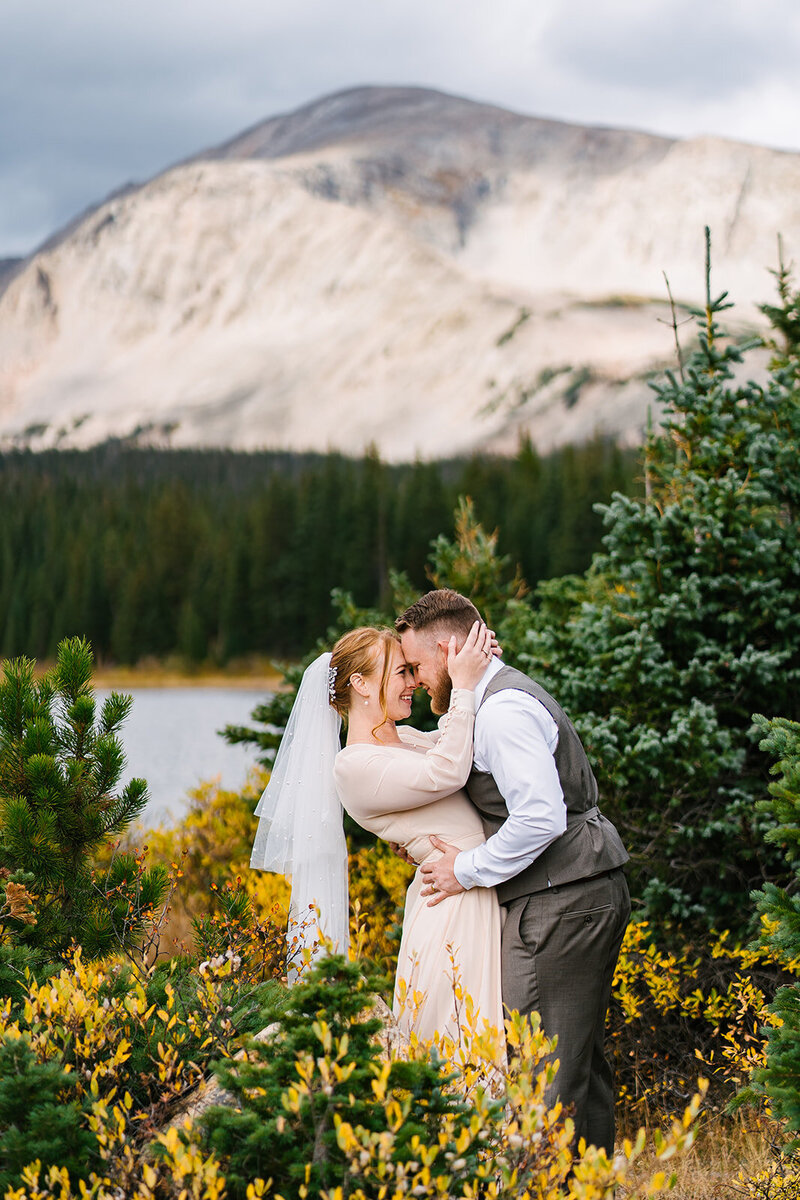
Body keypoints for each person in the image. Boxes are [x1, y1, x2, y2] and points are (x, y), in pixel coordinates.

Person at [396, 588, 631, 1154]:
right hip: (572, 892)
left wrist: (466, 869)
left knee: (540, 1070)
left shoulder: (502, 711)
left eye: (418, 665)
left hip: (563, 901)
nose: (417, 678)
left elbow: (541, 817)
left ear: (451, 650)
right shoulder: (482, 700)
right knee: (575, 1065)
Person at [250, 621, 505, 1047]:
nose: (413, 682)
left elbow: (464, 738)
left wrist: (478, 667)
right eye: (400, 672)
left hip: (469, 890)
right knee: (462, 1049)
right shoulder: (354, 766)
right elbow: (448, 769)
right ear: (361, 684)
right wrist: (462, 688)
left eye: (411, 670)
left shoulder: (404, 737)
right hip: (451, 911)